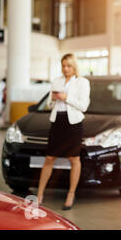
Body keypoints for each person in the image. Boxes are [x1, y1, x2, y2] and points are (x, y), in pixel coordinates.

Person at [36, 53, 90, 210]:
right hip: (57, 122)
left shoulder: (82, 82)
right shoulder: (57, 81)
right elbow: (49, 105)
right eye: (63, 66)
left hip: (73, 124)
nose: (66, 69)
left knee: (74, 159)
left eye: (69, 66)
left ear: (74, 67)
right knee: (49, 158)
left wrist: (66, 98)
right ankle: (39, 194)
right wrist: (53, 99)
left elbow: (84, 106)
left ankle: (71, 194)